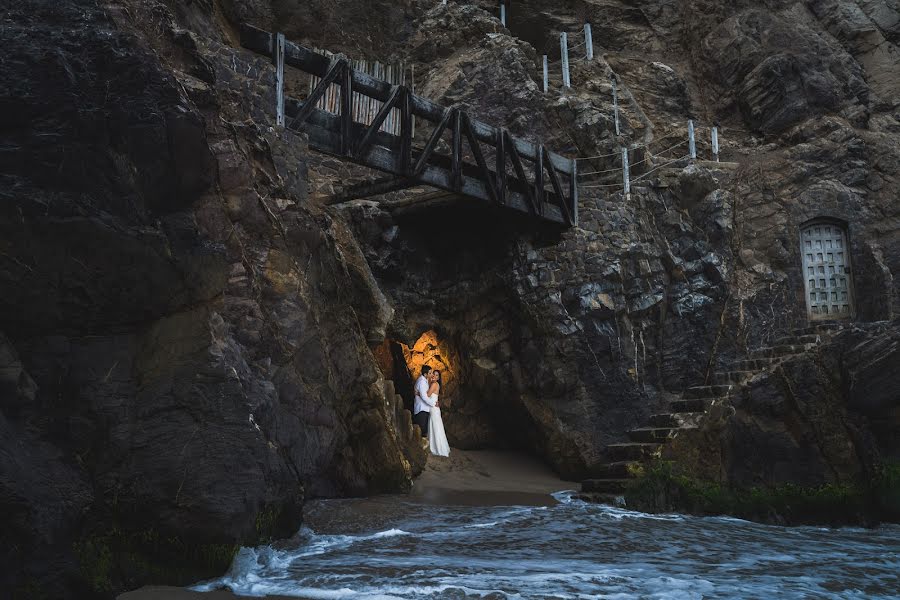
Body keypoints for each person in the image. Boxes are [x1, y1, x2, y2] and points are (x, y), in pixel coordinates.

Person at [427, 370, 450, 457]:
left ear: (438, 377)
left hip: (433, 408)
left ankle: (437, 448)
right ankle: (438, 447)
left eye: (436, 375)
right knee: (436, 426)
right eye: (433, 374)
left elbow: (428, 395)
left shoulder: (434, 384)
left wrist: (418, 393)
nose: (434, 376)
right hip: (434, 408)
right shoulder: (434, 384)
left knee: (435, 427)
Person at [413, 365, 435, 436]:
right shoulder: (422, 382)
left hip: (424, 408)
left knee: (424, 429)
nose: (432, 374)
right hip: (421, 409)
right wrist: (433, 404)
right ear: (425, 374)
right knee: (422, 431)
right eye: (430, 373)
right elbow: (424, 397)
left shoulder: (424, 380)